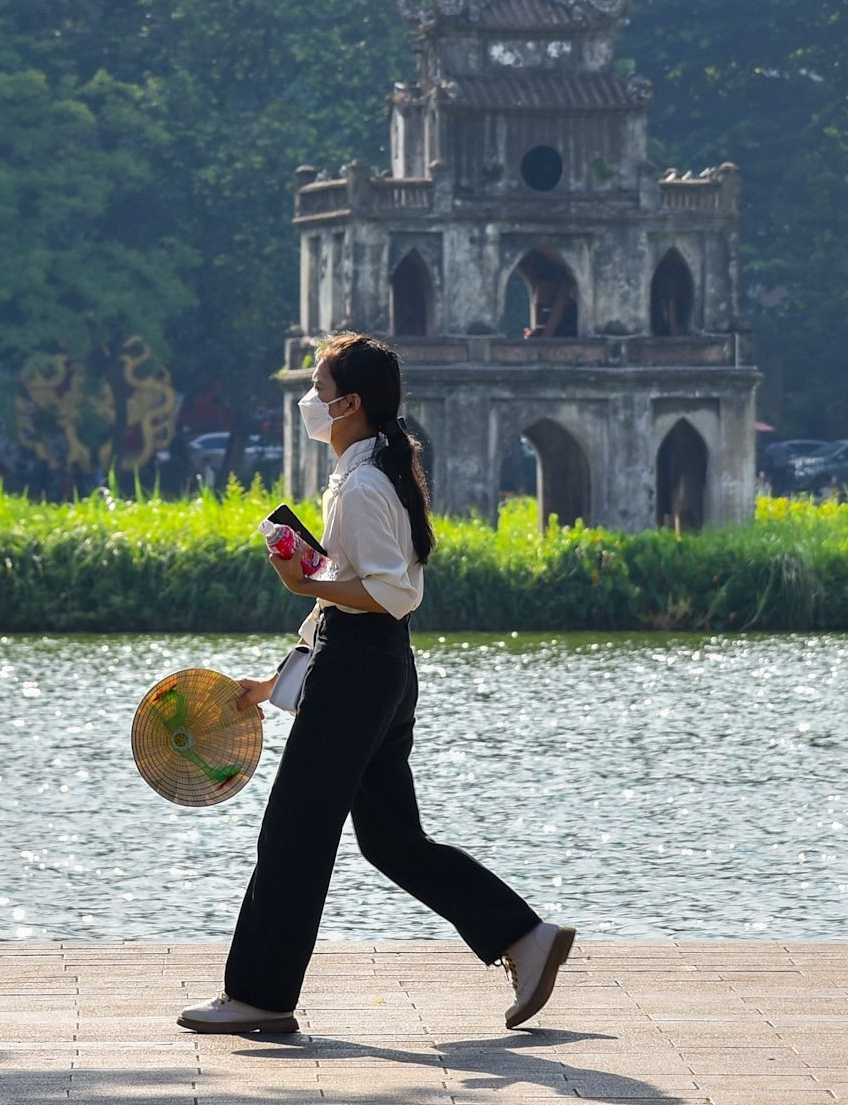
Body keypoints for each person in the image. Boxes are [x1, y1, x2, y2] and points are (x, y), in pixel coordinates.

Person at [177, 331, 575, 1036]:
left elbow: (391, 593)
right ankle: (523, 936)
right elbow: (353, 598)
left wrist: (305, 582)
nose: (310, 399)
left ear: (351, 404)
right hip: (374, 665)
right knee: (390, 839)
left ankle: (260, 994)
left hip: (360, 670)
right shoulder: (366, 475)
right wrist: (275, 681)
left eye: (320, 389)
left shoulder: (362, 484)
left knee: (294, 830)